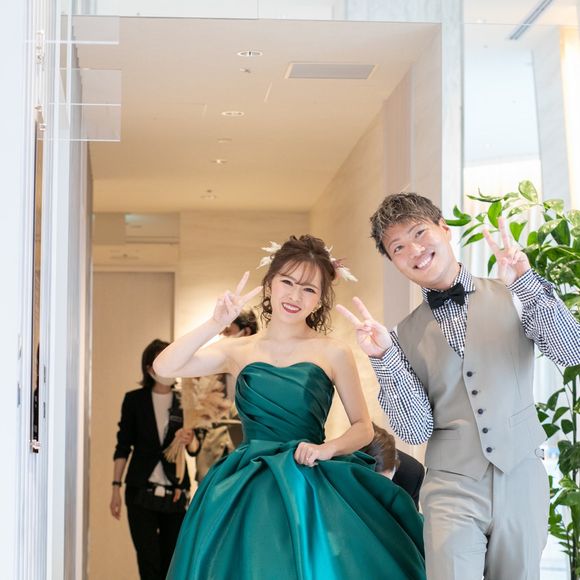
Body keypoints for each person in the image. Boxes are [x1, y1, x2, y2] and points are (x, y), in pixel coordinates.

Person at [153, 235, 426, 580]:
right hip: (247, 482)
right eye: (288, 282)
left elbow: (363, 428)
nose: (295, 296)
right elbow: (164, 367)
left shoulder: (333, 351)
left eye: (309, 289)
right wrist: (214, 323)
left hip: (308, 476)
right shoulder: (237, 349)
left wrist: (327, 449)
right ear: (270, 283)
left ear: (320, 299)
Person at [338, 193, 580, 580]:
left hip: (522, 476)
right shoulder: (399, 336)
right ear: (394, 262)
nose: (414, 251)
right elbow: (415, 429)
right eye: (398, 247)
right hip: (451, 487)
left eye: (419, 233)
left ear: (444, 229)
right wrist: (383, 358)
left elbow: (571, 350)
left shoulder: (516, 293)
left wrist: (528, 284)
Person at [110, 339, 195, 580]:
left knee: (171, 563)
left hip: (175, 493)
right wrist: (115, 488)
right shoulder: (134, 400)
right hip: (140, 491)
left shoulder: (185, 401)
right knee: (148, 562)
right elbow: (123, 446)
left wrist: (190, 439)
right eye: (161, 361)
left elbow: (195, 448)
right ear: (149, 368)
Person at [190, 310, 258, 482]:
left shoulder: (260, 369)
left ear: (246, 331)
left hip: (246, 454)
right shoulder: (213, 365)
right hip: (211, 454)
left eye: (228, 331)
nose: (223, 336)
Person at [361, 422, 425, 509]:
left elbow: (408, 516)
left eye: (386, 483)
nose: (382, 490)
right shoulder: (346, 469)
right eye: (378, 484)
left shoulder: (412, 474)